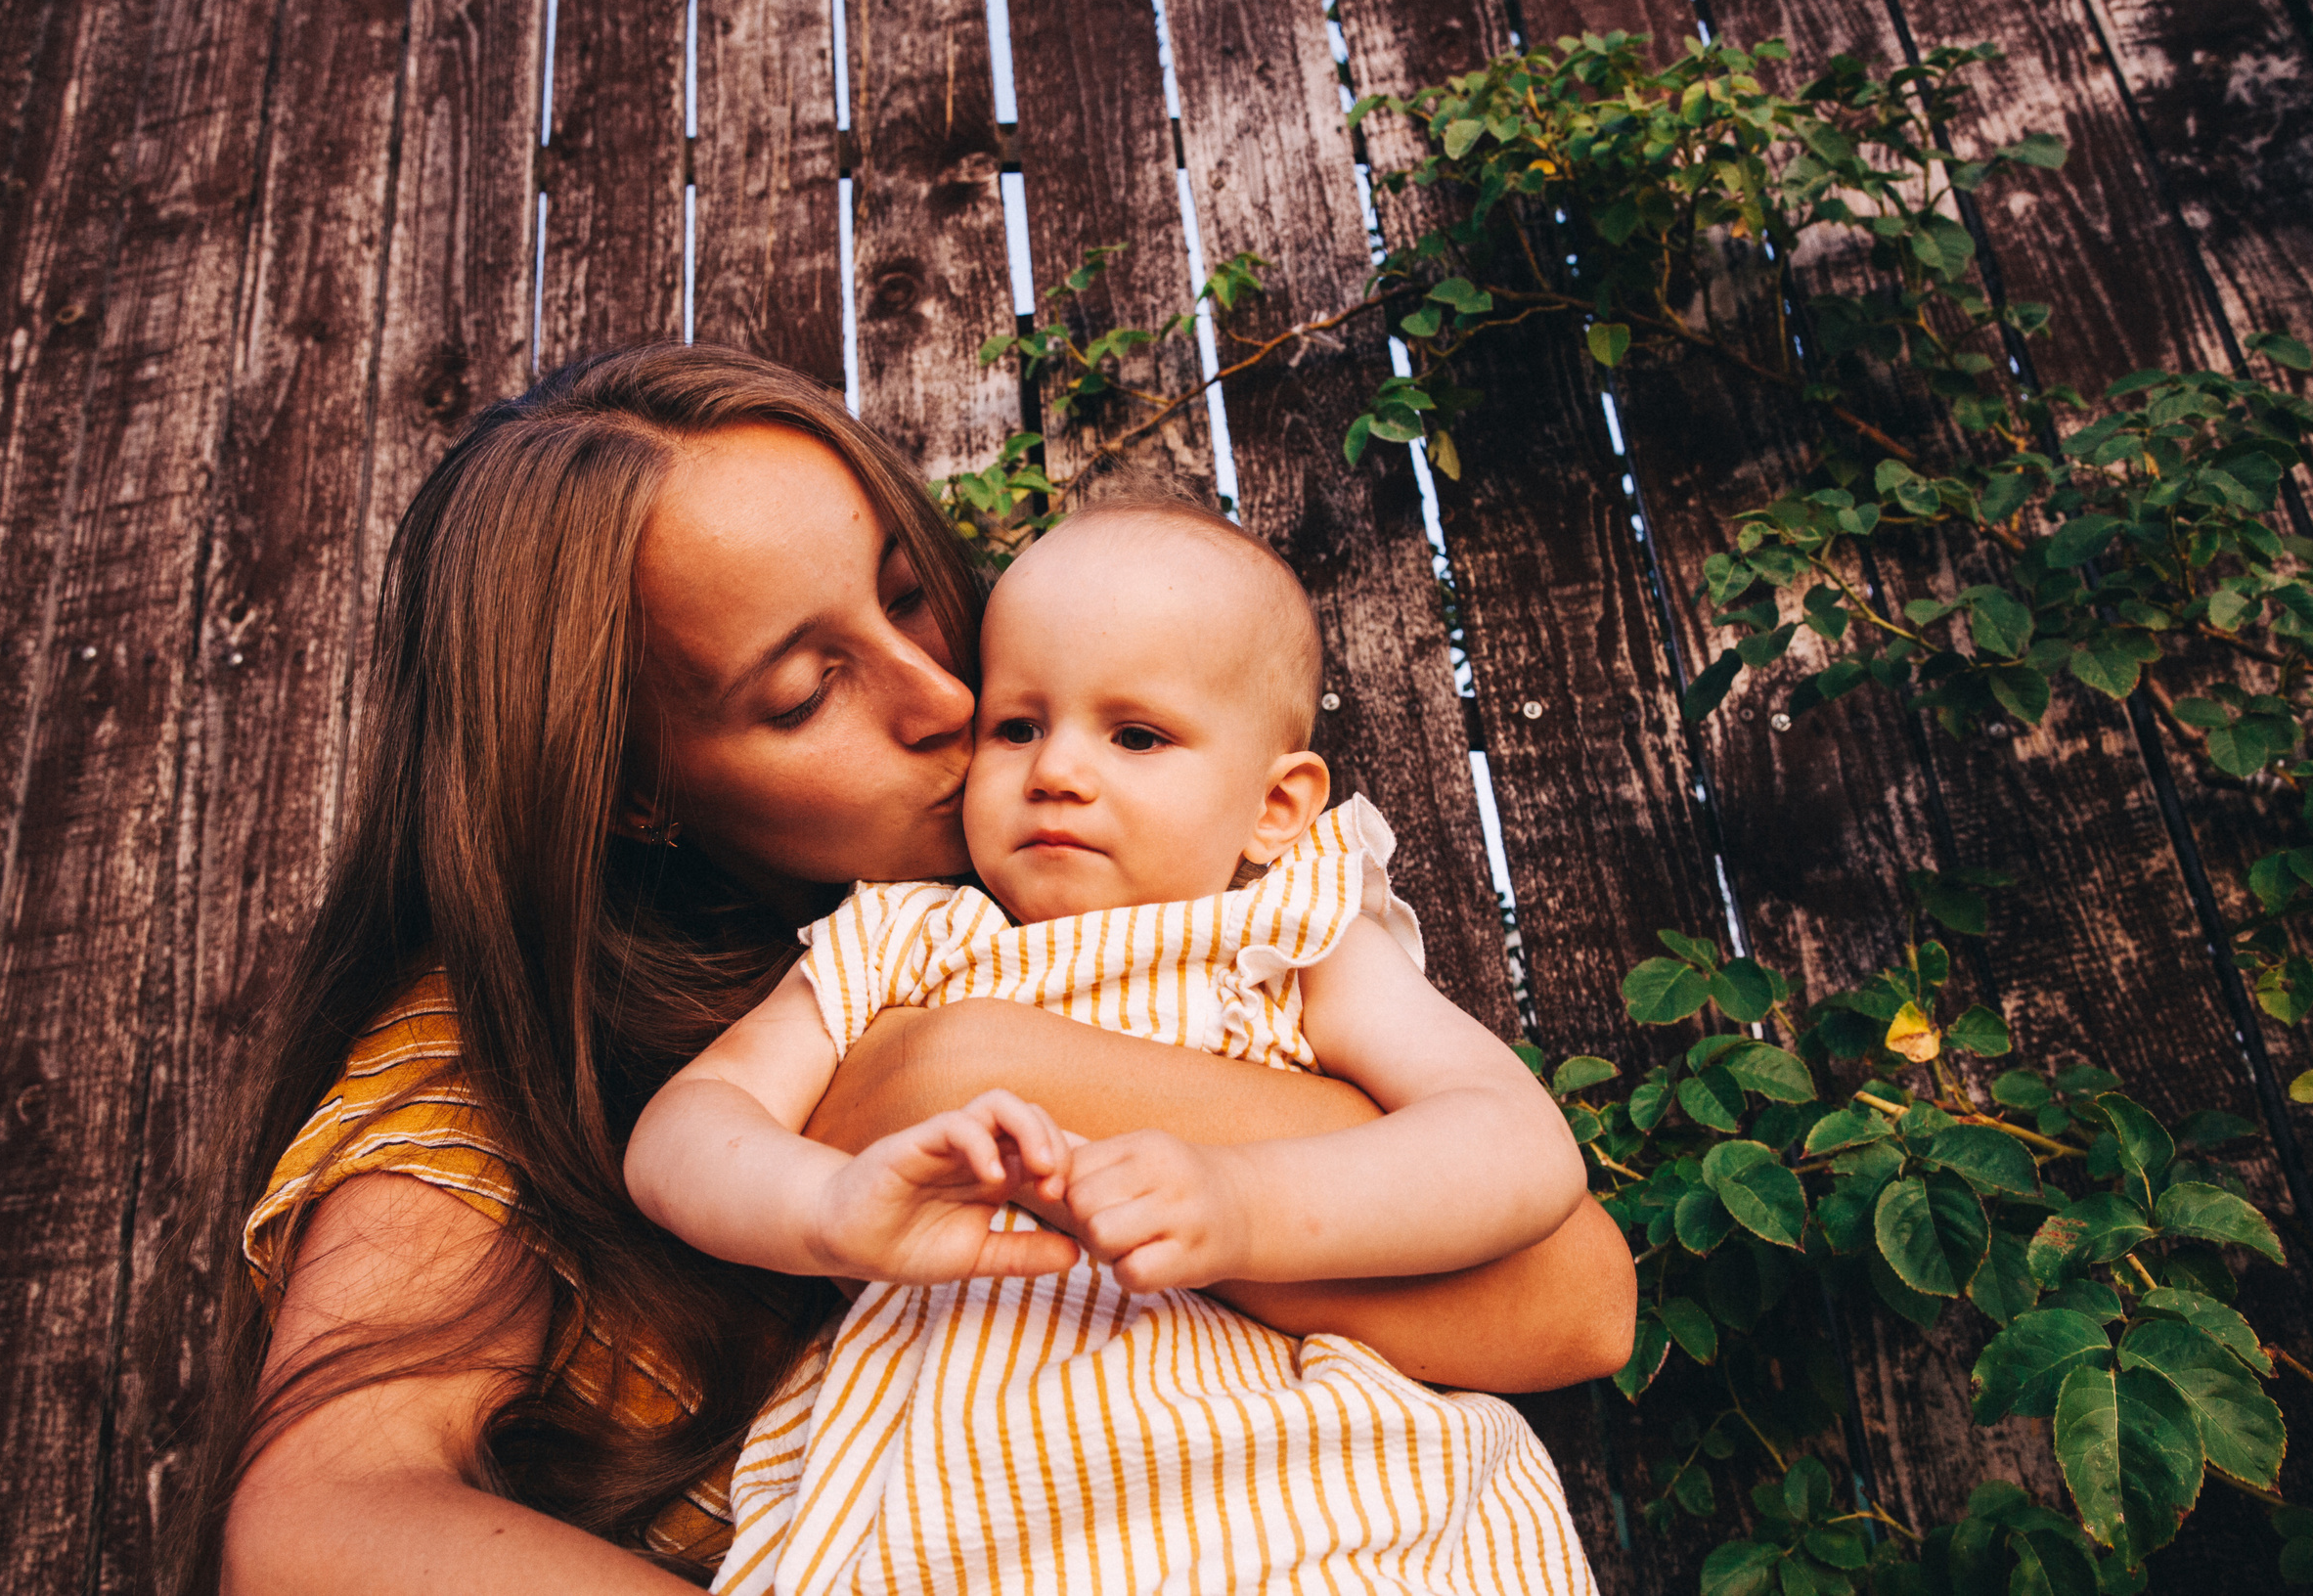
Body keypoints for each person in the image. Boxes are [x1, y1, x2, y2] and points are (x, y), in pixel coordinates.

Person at [178, 342, 1635, 1593]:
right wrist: (840, 1167)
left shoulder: (1208, 894)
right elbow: (319, 1518)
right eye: (813, 687)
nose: (949, 698)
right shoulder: (514, 1041)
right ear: (634, 788)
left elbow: (1572, 1295)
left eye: (909, 593)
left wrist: (972, 1069)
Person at [626, 497, 1598, 1592]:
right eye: (1018, 727)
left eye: (1134, 736)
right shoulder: (904, 938)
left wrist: (1245, 1204)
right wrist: (824, 1209)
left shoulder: (1294, 938)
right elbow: (686, 1128)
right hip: (950, 1502)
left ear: (1276, 808)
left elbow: (1513, 1141)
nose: (1056, 772)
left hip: (1285, 1488)